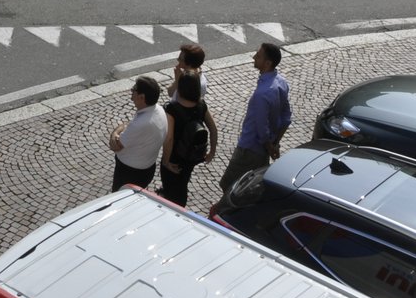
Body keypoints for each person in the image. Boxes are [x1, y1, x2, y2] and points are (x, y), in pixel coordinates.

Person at [218, 43, 291, 192]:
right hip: (263, 149)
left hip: (249, 149)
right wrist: (275, 143)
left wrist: (270, 147)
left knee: (229, 186)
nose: (253, 58)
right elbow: (286, 117)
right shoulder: (281, 82)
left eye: (258, 56)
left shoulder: (262, 94)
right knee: (250, 187)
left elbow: (261, 129)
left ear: (268, 63)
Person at [158, 72, 218, 207]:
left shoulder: (171, 109)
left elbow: (169, 139)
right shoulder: (201, 105)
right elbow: (213, 129)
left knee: (174, 191)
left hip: (175, 158)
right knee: (183, 180)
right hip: (192, 156)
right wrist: (212, 152)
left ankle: (175, 207)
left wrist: (166, 162)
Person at [108, 76, 167, 192]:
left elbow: (115, 145)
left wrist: (116, 131)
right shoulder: (159, 110)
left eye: (134, 89)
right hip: (147, 169)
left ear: (142, 97)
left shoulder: (140, 123)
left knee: (119, 201)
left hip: (129, 174)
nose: (131, 91)